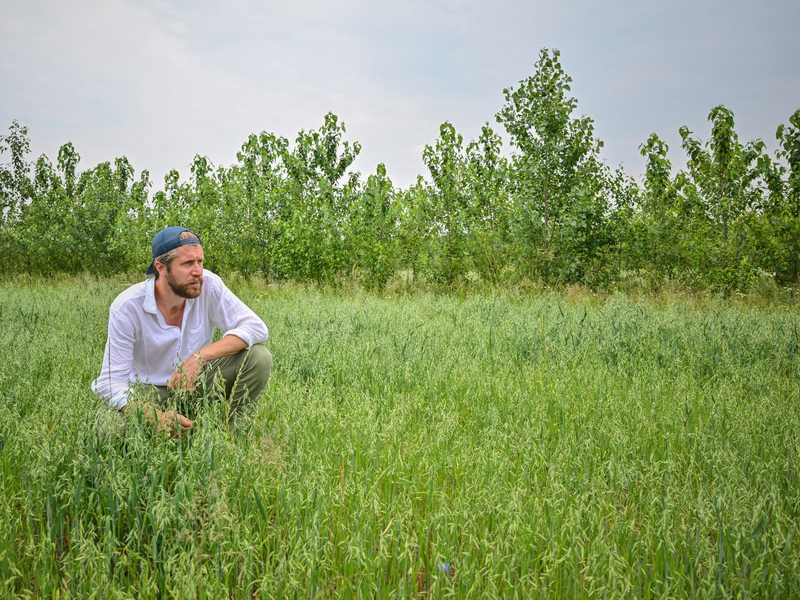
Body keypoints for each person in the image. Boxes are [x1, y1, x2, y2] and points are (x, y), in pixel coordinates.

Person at [92, 226, 272, 437]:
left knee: (259, 357)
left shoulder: (209, 285)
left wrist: (200, 357)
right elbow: (110, 383)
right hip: (146, 392)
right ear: (161, 267)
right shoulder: (127, 307)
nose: (198, 271)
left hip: (195, 386)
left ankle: (232, 440)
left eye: (200, 262)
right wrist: (154, 417)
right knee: (105, 432)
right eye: (187, 263)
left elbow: (256, 327)